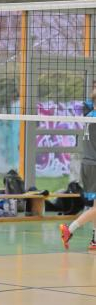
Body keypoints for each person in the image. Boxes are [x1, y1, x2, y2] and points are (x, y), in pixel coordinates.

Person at [60, 89, 96, 251]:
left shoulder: (89, 116)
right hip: (94, 164)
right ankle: (70, 229)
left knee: (95, 205)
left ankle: (95, 240)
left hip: (87, 164)